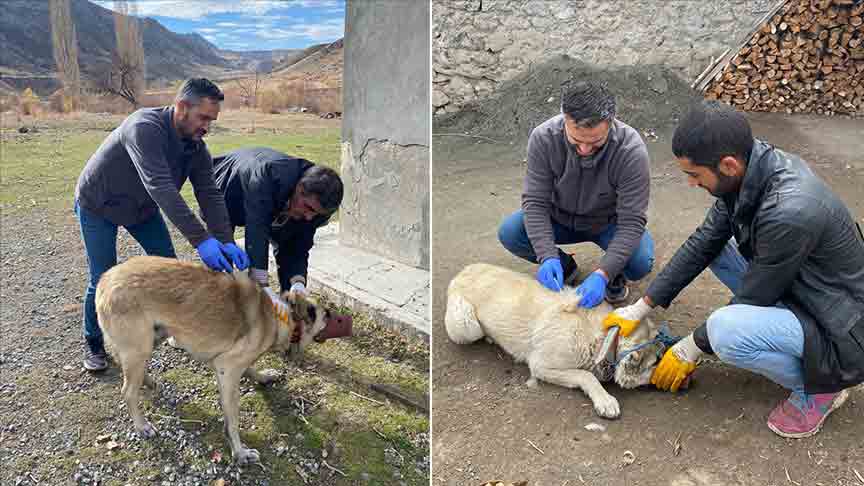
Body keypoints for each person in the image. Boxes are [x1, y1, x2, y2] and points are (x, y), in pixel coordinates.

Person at [603, 100, 864, 438]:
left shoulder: (790, 210)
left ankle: (822, 389)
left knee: (724, 331)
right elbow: (704, 242)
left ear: (728, 164)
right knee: (718, 250)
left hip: (843, 328)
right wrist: (641, 307)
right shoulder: (751, 172)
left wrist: (691, 346)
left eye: (695, 175)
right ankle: (797, 352)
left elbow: (755, 297)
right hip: (810, 289)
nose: (691, 184)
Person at [74, 78, 249, 372]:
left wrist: (225, 239)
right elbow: (160, 187)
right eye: (203, 117)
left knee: (169, 268)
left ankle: (171, 327)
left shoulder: (196, 149)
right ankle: (93, 342)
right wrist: (201, 240)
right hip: (99, 204)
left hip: (141, 209)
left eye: (211, 120)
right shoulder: (144, 128)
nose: (206, 127)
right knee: (102, 275)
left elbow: (209, 193)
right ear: (181, 107)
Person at [498, 81, 654, 307]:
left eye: (596, 142)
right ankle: (564, 267)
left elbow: (632, 222)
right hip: (558, 218)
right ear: (564, 119)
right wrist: (547, 255)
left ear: (611, 122)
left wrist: (603, 273)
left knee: (640, 261)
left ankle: (613, 276)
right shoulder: (544, 138)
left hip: (607, 223)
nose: (584, 150)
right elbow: (535, 202)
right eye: (577, 140)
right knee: (511, 232)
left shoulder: (630, 150)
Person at [212, 147, 343, 294]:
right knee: (222, 261)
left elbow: (298, 244)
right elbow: (257, 230)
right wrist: (261, 283)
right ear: (299, 189)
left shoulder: (317, 207)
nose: (309, 217)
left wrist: (297, 282)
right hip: (228, 187)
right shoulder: (268, 176)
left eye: (316, 213)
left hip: (271, 197)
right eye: (309, 208)